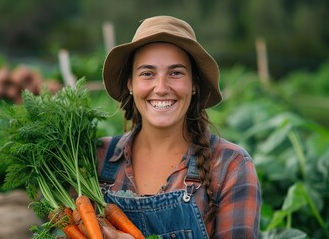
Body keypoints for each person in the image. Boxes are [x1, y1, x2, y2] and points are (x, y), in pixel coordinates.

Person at [97, 15, 261, 239]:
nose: (161, 88)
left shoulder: (229, 165)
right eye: (147, 73)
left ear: (194, 84)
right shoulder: (97, 157)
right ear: (130, 84)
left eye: (175, 73)